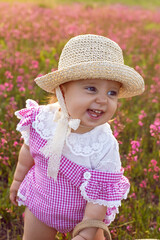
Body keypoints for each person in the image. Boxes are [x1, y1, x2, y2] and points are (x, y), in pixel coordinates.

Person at [10, 34, 145, 240]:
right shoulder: (42, 119)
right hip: (41, 204)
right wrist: (18, 180)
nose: (102, 100)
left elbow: (100, 196)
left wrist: (87, 232)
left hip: (84, 217)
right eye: (91, 88)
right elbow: (29, 149)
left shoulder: (103, 144)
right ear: (63, 91)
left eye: (112, 93)